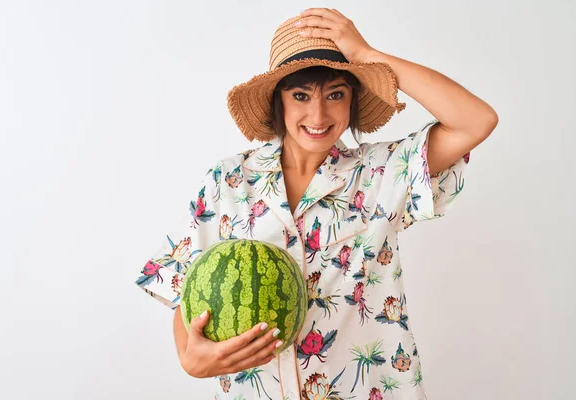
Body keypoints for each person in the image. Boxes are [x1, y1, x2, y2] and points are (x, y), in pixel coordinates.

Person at [135, 8, 498, 400]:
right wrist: (190, 359)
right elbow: (183, 283)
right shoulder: (228, 181)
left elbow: (476, 121)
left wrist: (366, 55)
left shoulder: (380, 173)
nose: (319, 114)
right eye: (301, 95)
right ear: (280, 101)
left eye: (336, 94)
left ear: (353, 100)